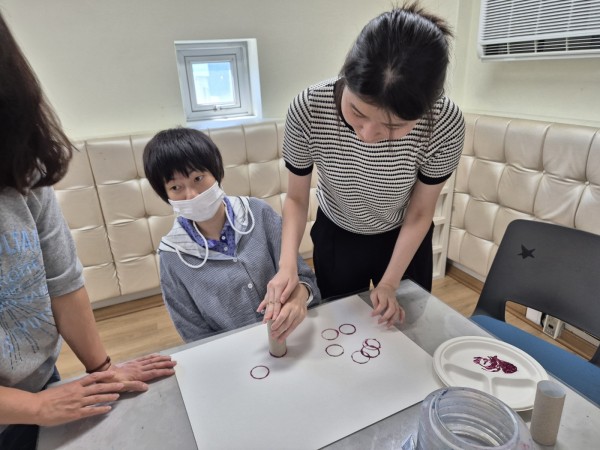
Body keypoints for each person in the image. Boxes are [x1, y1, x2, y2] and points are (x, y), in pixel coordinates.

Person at [0, 12, 176, 450]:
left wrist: (101, 370)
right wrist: (36, 408)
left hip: (42, 381)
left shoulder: (19, 161)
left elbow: (63, 283)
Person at [266, 3, 465, 328]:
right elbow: (297, 198)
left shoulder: (445, 123)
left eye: (393, 127)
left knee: (407, 328)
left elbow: (419, 212)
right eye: (357, 113)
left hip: (404, 234)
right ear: (347, 75)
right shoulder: (308, 108)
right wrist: (287, 264)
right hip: (338, 233)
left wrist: (389, 283)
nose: (368, 136)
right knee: (339, 326)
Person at [142, 128, 320, 344]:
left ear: (216, 173)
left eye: (198, 178)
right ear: (165, 195)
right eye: (175, 187)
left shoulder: (258, 214)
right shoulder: (173, 257)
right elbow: (194, 334)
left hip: (294, 339)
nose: (192, 194)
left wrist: (299, 297)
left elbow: (305, 279)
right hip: (236, 358)